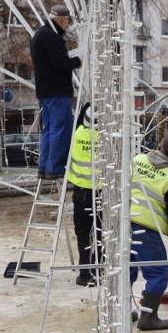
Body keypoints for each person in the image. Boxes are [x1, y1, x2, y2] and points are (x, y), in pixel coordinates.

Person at [130, 130, 168, 331]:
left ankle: (120, 308)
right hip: (145, 227)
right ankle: (148, 318)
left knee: (125, 266)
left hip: (121, 221)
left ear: (159, 145)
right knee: (159, 271)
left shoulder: (137, 159)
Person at [30, 5, 82, 179]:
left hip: (44, 90)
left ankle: (44, 167)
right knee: (61, 129)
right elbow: (62, 64)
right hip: (57, 91)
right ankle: (56, 168)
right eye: (67, 23)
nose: (67, 27)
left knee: (49, 129)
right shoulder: (52, 37)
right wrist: (77, 61)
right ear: (62, 20)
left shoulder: (39, 34)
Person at [67, 102, 102, 287]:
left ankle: (85, 274)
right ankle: (101, 271)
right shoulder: (108, 138)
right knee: (101, 233)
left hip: (81, 193)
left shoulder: (77, 134)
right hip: (102, 193)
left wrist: (88, 103)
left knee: (83, 234)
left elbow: (80, 118)